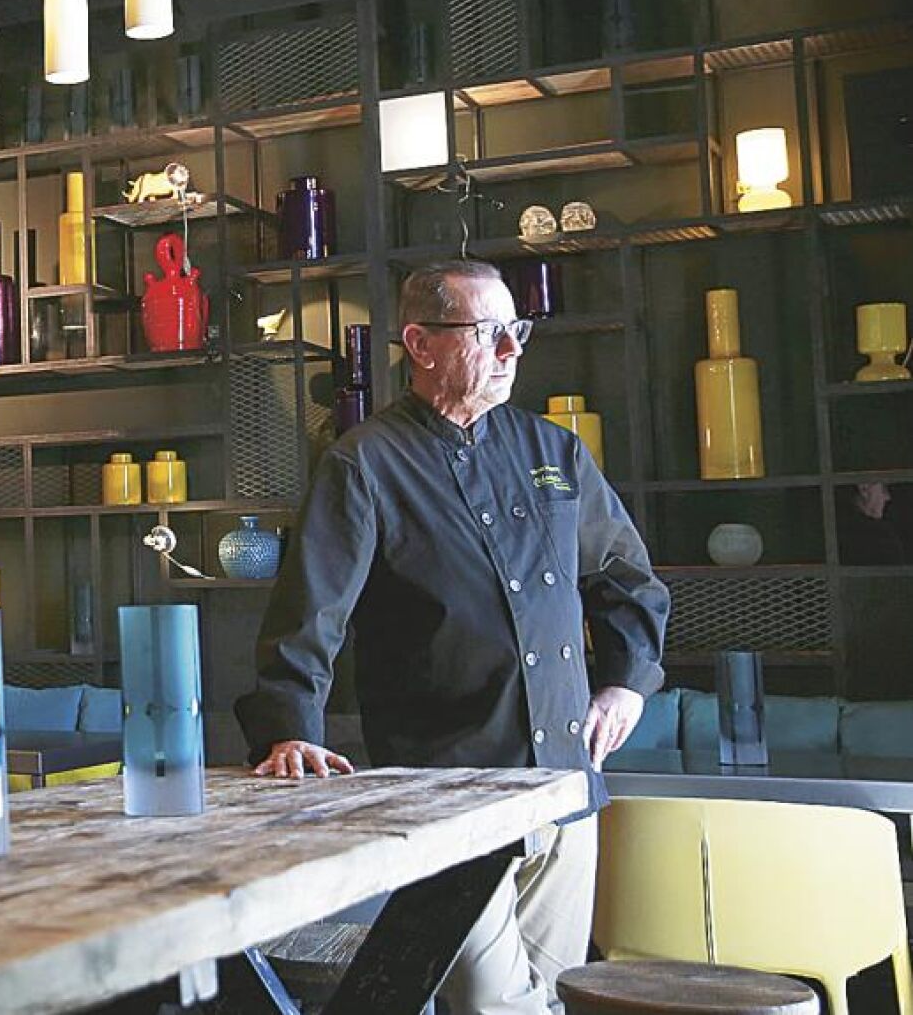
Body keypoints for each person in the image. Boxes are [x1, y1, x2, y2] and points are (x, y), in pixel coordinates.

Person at [236, 260, 670, 1015]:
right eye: (488, 331)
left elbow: (625, 578)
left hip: (565, 782)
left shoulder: (554, 452)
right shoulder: (365, 462)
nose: (511, 349)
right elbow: (309, 612)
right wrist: (287, 728)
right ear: (421, 344)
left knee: (555, 994)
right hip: (446, 795)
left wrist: (626, 681)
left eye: (515, 329)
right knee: (492, 1004)